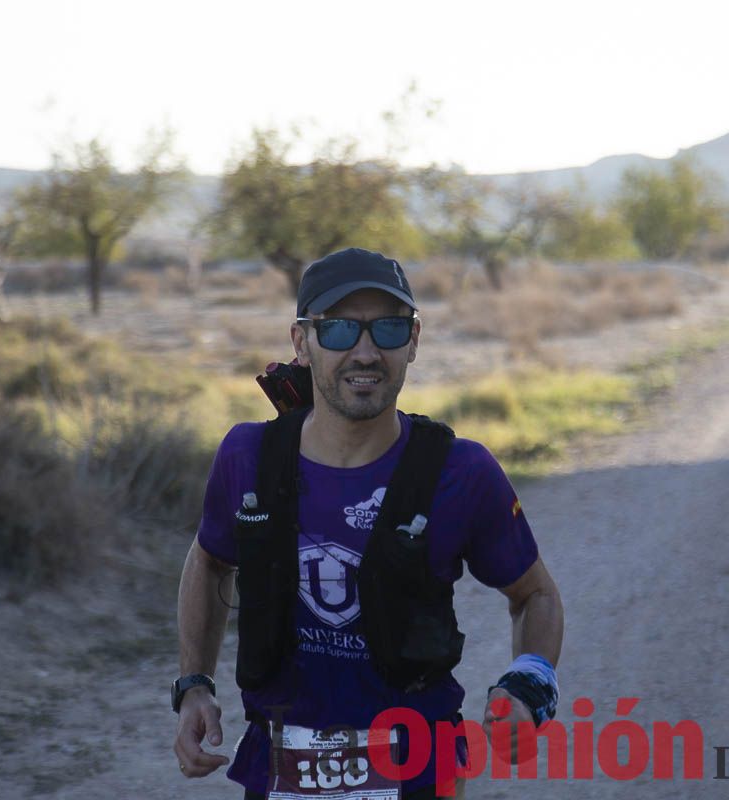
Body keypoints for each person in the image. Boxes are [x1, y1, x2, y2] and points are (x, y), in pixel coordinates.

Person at [173, 248, 564, 798]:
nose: (364, 351)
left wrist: (528, 686)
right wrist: (194, 683)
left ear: (414, 341)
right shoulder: (248, 457)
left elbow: (535, 593)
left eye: (387, 329)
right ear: (300, 343)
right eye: (337, 330)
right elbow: (212, 556)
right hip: (279, 769)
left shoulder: (461, 471)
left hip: (419, 773)